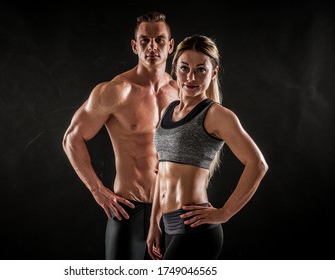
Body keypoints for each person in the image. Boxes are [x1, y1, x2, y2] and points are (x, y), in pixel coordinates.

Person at [62, 12, 178, 259]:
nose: (152, 47)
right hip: (129, 210)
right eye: (144, 40)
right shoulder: (117, 91)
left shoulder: (181, 93)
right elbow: (71, 138)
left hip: (172, 210)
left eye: (159, 40)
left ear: (170, 45)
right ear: (135, 46)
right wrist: (97, 190)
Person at [146, 34, 269, 260]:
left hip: (195, 231)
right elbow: (161, 174)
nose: (191, 77)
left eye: (201, 70)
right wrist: (155, 222)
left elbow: (258, 165)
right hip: (167, 226)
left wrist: (225, 213)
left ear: (213, 72)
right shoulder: (168, 111)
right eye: (184, 68)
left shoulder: (216, 115)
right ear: (174, 68)